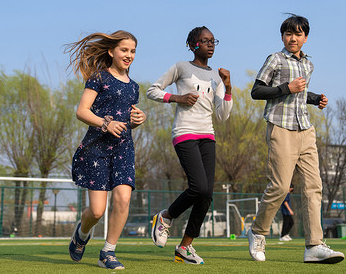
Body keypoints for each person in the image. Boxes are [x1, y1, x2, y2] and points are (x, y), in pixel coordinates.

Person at [248, 14, 344, 263]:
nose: (293, 38)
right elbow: (257, 91)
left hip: (305, 129)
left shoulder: (308, 64)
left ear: (306, 38)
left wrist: (315, 99)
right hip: (281, 128)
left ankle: (314, 245)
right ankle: (258, 232)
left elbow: (299, 95)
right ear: (283, 36)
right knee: (280, 187)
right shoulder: (275, 59)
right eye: (289, 33)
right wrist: (286, 88)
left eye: (298, 34)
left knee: (314, 187)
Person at [147, 26, 233, 264]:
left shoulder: (217, 75)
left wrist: (228, 86)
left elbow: (223, 115)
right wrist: (177, 98)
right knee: (199, 188)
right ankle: (165, 216)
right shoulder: (180, 67)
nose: (210, 44)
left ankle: (185, 247)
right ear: (193, 44)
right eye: (205, 41)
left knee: (206, 195)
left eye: (213, 40)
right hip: (185, 132)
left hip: (208, 135)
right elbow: (152, 90)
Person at [65, 30, 146, 270]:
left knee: (123, 198)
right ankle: (81, 233)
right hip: (96, 149)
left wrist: (138, 118)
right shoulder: (99, 78)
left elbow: (127, 117)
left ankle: (107, 252)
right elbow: (82, 111)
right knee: (97, 211)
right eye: (124, 50)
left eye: (132, 51)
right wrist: (105, 123)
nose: (129, 55)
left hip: (123, 149)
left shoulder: (134, 87)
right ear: (111, 51)